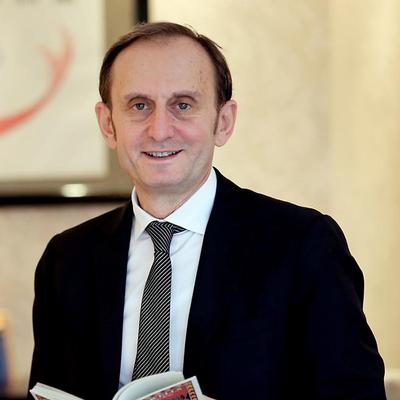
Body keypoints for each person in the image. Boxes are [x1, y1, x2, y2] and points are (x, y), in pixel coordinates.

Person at [28, 22, 386, 400]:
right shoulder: (65, 260)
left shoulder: (305, 245)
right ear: (108, 124)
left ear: (223, 122)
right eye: (139, 105)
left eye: (183, 105)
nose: (159, 130)